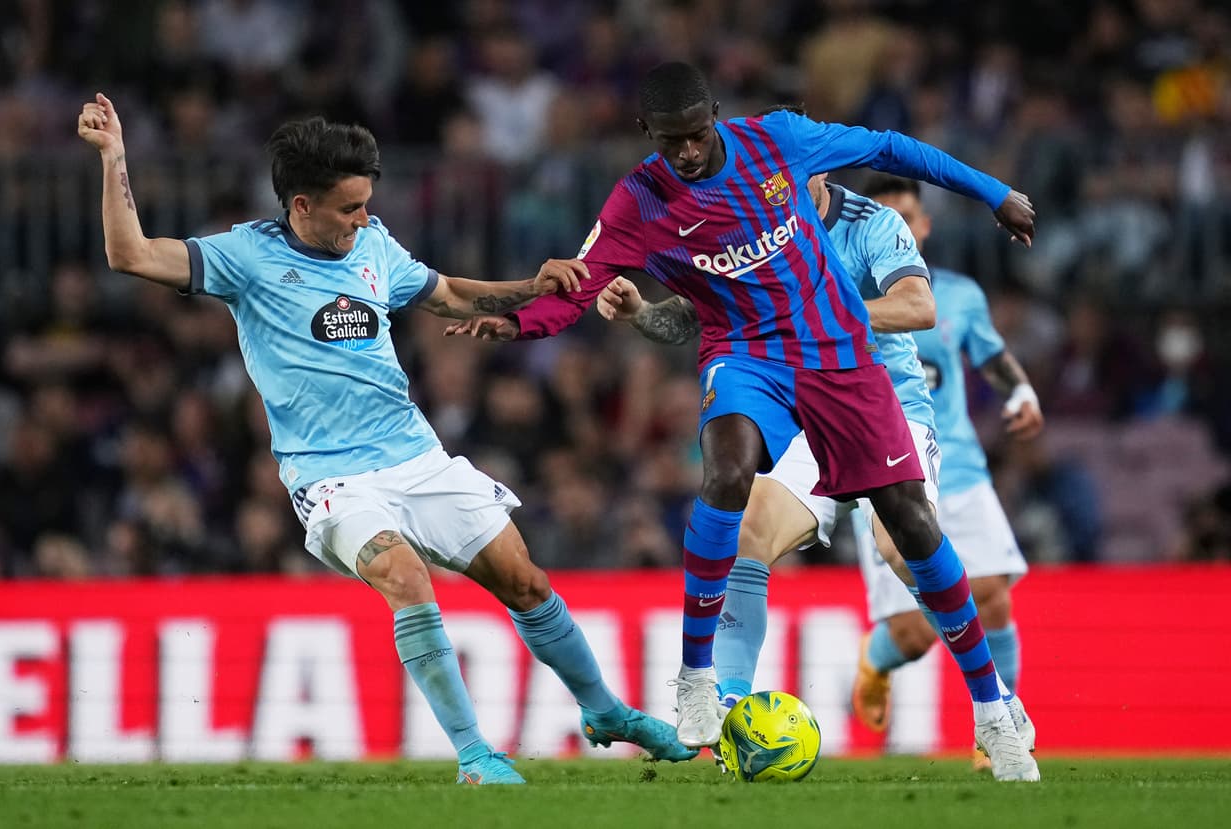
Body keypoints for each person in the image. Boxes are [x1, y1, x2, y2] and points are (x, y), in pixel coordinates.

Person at [76, 93, 697, 785]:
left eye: (367, 202)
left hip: (415, 455)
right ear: (302, 206)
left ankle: (606, 710)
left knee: (525, 581)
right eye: (349, 207)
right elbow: (128, 253)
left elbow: (447, 295)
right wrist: (115, 157)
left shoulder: (373, 244)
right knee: (406, 577)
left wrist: (532, 285)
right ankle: (475, 755)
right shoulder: (245, 256)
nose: (364, 218)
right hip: (330, 479)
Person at [445, 62, 1037, 781]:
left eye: (697, 135)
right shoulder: (638, 202)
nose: (688, 152)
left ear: (716, 116)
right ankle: (700, 678)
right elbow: (579, 285)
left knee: (910, 527)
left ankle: (994, 709)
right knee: (729, 474)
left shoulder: (781, 143)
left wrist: (994, 192)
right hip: (749, 357)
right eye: (672, 141)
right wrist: (514, 325)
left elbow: (889, 148)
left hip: (837, 356)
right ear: (647, 133)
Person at [594, 167, 1036, 781]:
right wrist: (641, 311)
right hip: (808, 410)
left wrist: (816, 315)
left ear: (814, 166)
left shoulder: (872, 222)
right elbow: (695, 317)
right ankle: (730, 707)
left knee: (898, 545)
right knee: (749, 528)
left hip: (887, 404)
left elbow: (917, 305)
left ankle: (998, 707)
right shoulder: (751, 228)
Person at [852, 174, 1043, 771]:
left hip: (958, 463)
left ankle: (995, 729)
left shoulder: (957, 294)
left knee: (991, 595)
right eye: (885, 220)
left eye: (907, 219)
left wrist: (1021, 393)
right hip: (882, 461)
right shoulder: (840, 291)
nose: (898, 230)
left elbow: (990, 354)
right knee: (913, 634)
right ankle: (877, 660)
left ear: (924, 226)